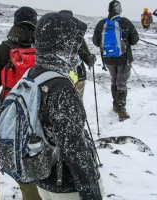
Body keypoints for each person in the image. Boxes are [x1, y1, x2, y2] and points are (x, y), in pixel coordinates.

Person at [28, 12, 103, 200]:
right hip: (67, 185)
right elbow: (75, 149)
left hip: (44, 178)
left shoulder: (33, 73)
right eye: (73, 45)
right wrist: (91, 193)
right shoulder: (61, 88)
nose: (75, 51)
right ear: (62, 44)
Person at [0, 6, 41, 200]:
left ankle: (29, 193)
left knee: (18, 151)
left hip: (11, 113)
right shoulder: (42, 47)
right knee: (39, 149)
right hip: (39, 109)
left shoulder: (6, 47)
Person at [92, 0, 139, 121]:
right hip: (124, 58)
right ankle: (121, 111)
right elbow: (134, 40)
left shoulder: (101, 23)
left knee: (114, 81)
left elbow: (96, 42)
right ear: (119, 10)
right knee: (121, 83)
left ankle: (115, 106)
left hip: (108, 59)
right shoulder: (126, 22)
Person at [58, 10, 97, 100]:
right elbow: (88, 60)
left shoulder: (52, 37)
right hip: (78, 74)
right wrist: (92, 58)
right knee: (77, 104)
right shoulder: (77, 36)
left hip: (58, 75)